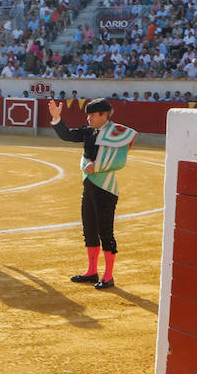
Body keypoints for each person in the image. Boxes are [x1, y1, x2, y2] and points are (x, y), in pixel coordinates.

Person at [47, 97, 136, 289]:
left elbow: (119, 161)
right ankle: (92, 271)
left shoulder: (116, 132)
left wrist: (97, 167)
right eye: (88, 115)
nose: (89, 119)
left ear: (105, 115)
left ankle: (108, 276)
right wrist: (57, 118)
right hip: (88, 185)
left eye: (93, 115)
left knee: (105, 231)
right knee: (89, 229)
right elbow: (68, 135)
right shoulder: (89, 131)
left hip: (106, 188)